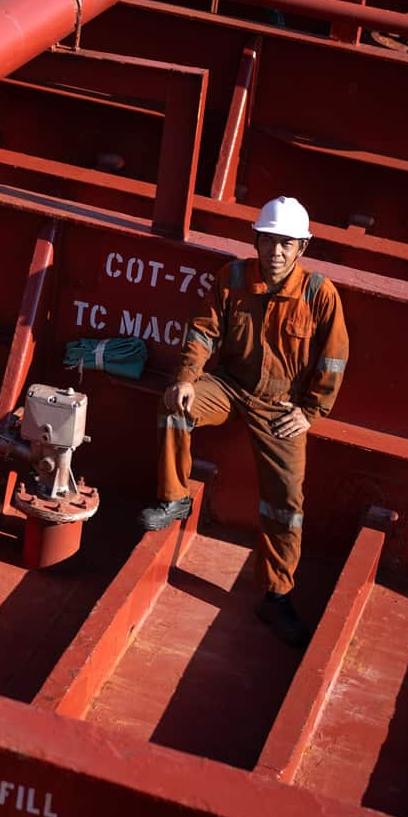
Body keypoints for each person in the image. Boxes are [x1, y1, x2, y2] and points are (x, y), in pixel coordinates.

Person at [138, 196, 348, 647]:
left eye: (286, 244)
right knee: (174, 406)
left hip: (281, 405)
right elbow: (202, 331)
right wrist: (187, 379)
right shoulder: (231, 278)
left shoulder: (319, 295)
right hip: (230, 386)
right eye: (269, 241)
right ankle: (174, 497)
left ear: (301, 249)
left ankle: (276, 595)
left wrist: (310, 412)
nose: (275, 252)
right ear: (256, 240)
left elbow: (333, 359)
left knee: (285, 502)